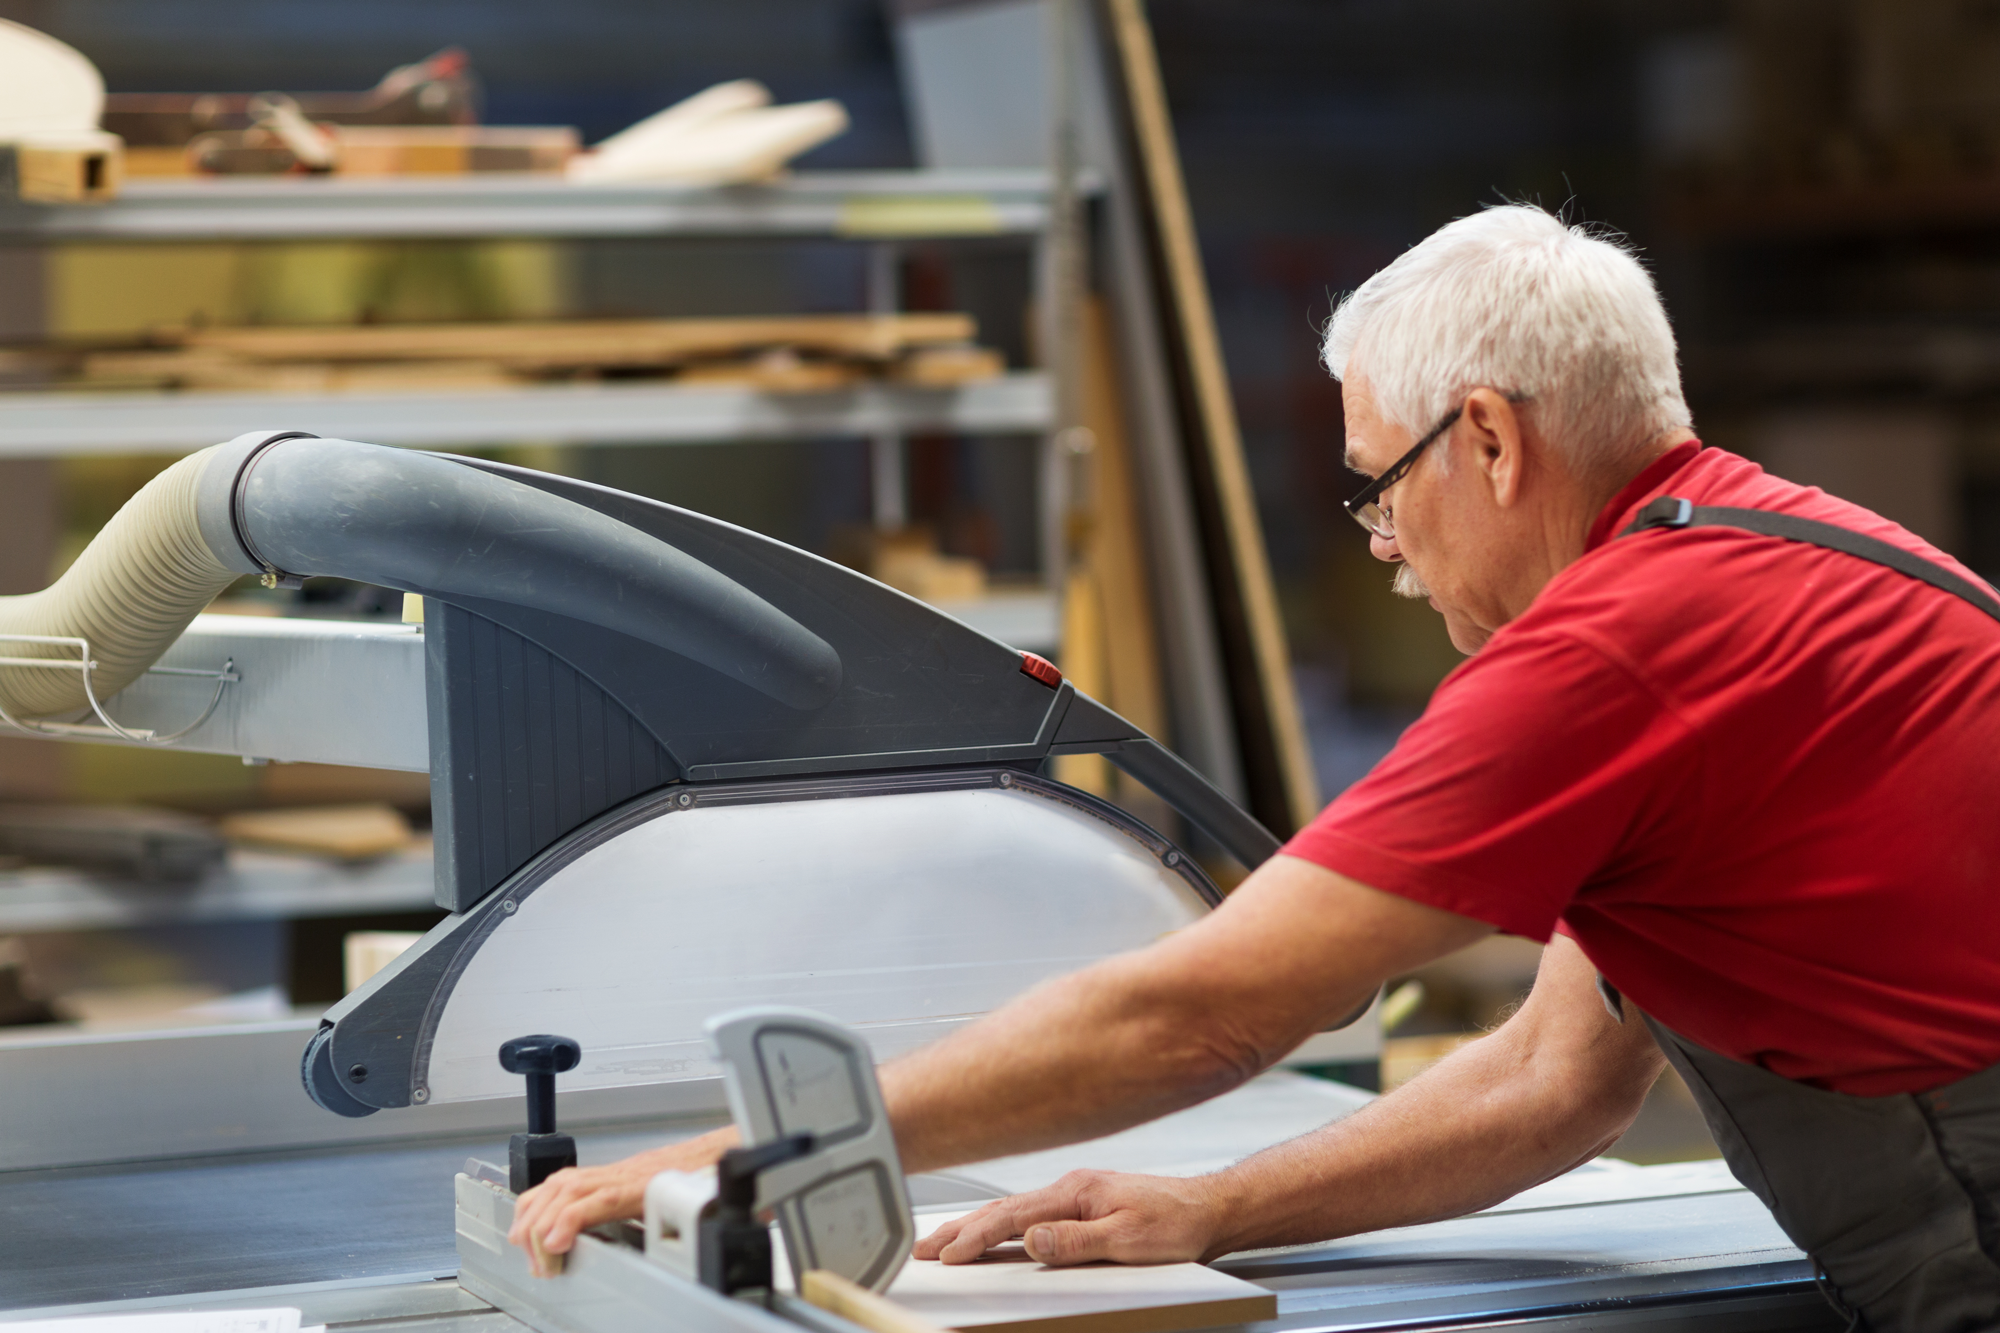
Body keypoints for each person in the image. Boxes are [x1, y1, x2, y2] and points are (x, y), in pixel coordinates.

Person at [509, 204, 2000, 1331]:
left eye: (1379, 486)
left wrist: (742, 1158)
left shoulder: (1617, 650)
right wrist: (1211, 1205)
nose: (1386, 548)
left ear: (1486, 437)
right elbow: (1557, 1078)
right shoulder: (1788, 556)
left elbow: (1198, 1019)